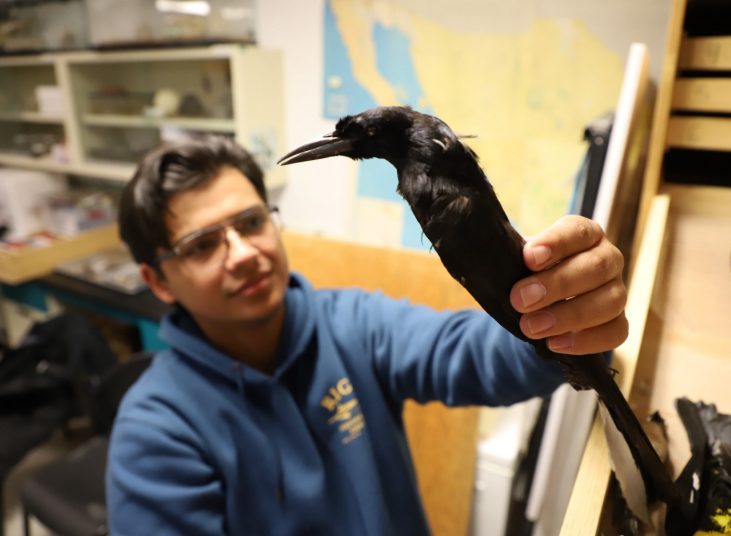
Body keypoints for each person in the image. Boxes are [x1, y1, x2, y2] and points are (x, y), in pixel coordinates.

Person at [108, 135, 628, 535]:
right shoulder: (154, 438)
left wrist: (563, 314)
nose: (243, 254)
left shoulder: (350, 325)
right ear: (158, 281)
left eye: (250, 223)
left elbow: (477, 355)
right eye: (202, 246)